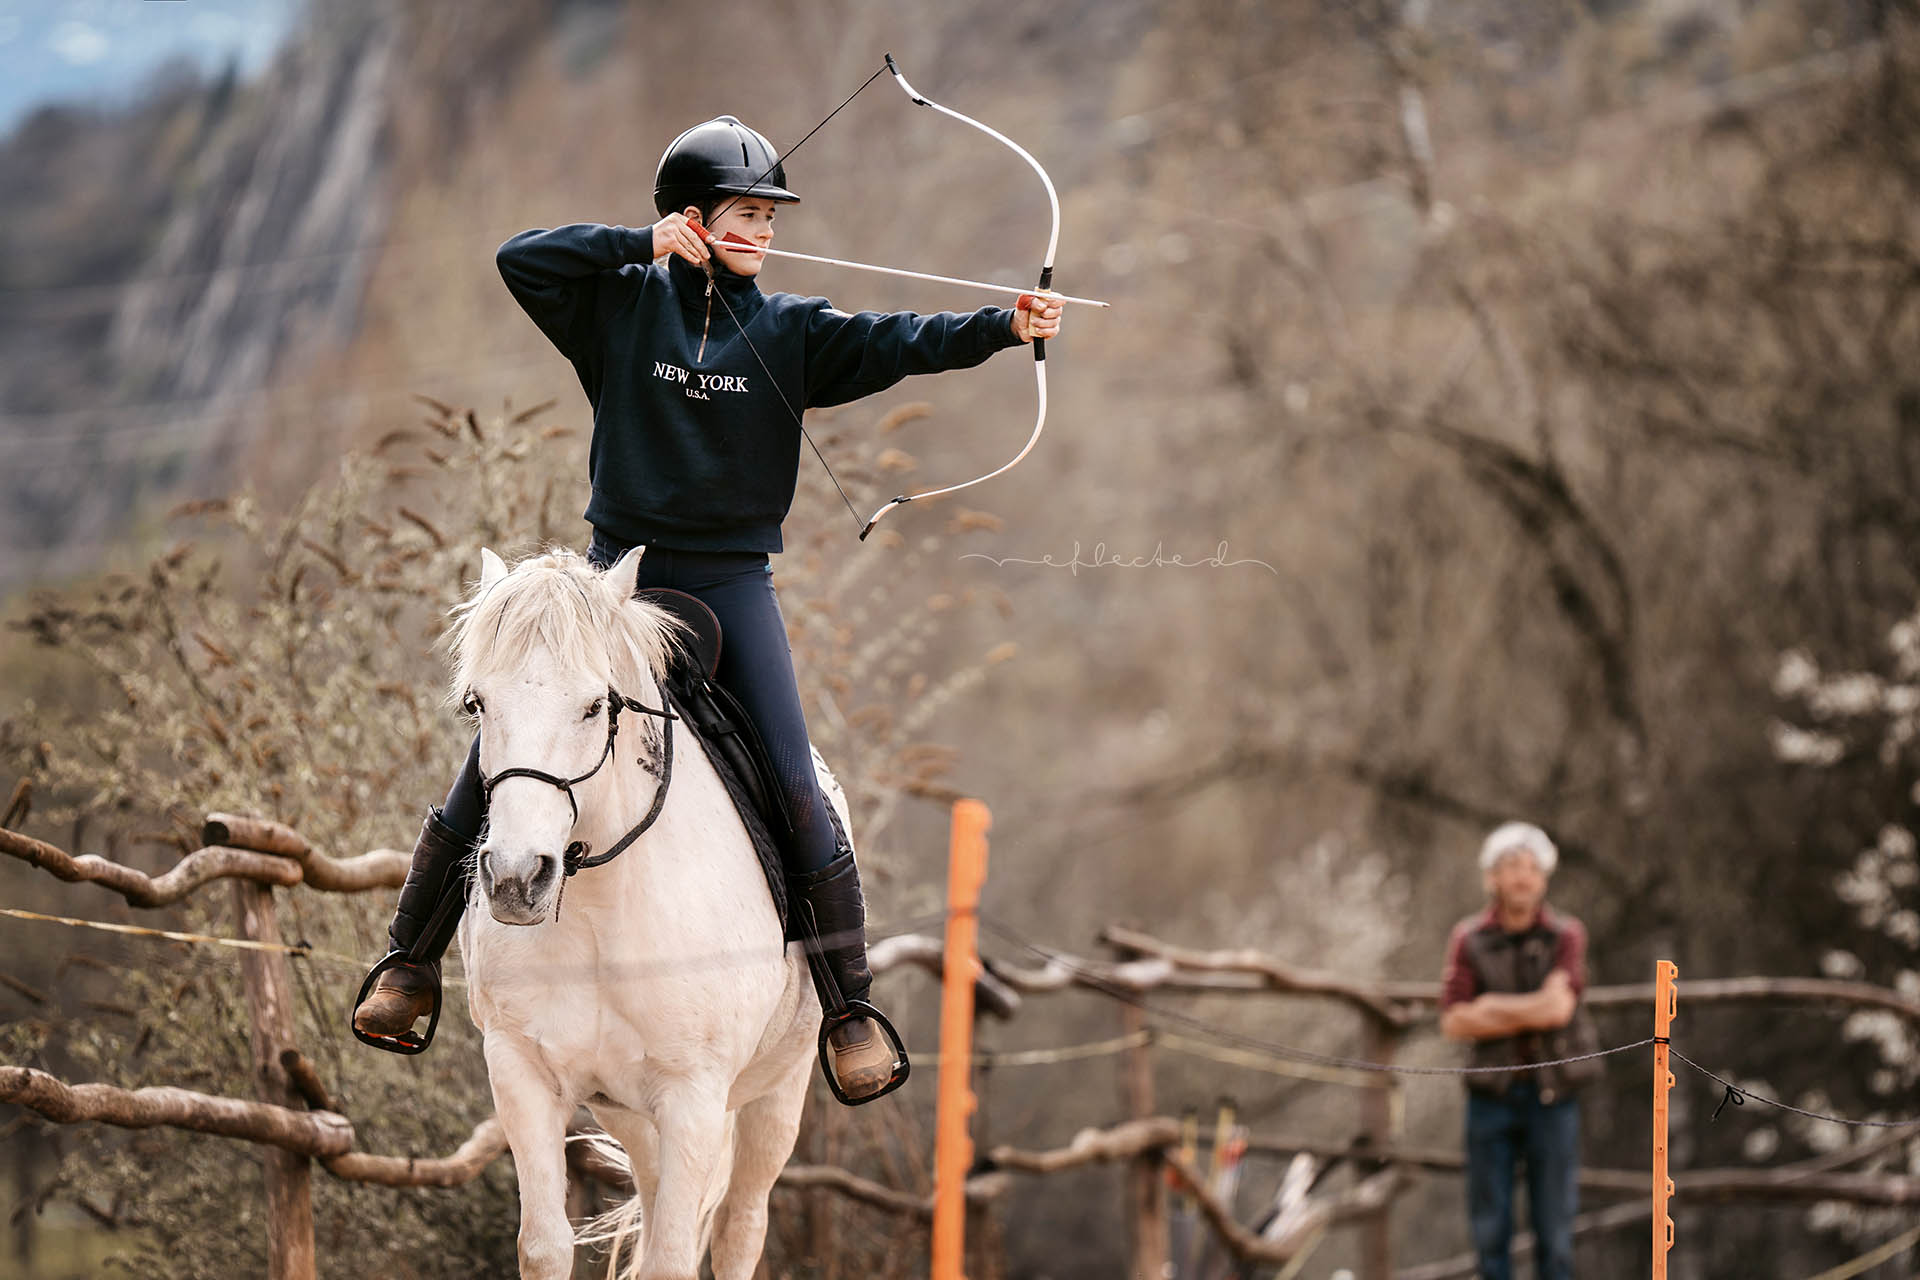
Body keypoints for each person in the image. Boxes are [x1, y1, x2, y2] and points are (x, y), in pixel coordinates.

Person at [351, 114, 1064, 1103]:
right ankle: (410, 962)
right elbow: (523, 260)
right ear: (691, 218)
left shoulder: (792, 329)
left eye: (771, 218)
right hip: (617, 583)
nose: (764, 233)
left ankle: (849, 1010)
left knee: (797, 785)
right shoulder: (617, 306)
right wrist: (638, 246)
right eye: (747, 214)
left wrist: (1002, 324)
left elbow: (902, 341)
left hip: (733, 585)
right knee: (505, 757)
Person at [1438, 822, 1596, 1280]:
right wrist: (1532, 1007)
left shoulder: (1567, 935)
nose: (1523, 876)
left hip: (1555, 1098)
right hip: (1491, 1099)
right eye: (1512, 866)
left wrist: (1489, 1008)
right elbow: (1453, 1020)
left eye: (1532, 867)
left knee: (1556, 1235)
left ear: (1544, 878)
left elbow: (1558, 1009)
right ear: (1492, 877)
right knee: (1490, 1235)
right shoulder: (1468, 938)